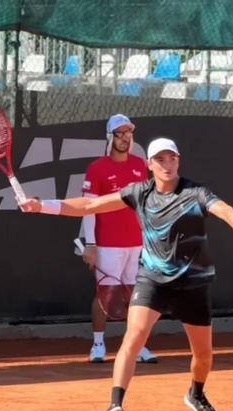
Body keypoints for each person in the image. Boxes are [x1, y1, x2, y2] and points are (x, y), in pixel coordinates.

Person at [19, 137, 233, 411]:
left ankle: (196, 394)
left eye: (171, 158)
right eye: (159, 159)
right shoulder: (139, 193)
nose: (166, 164)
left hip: (193, 284)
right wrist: (42, 205)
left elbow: (223, 208)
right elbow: (91, 204)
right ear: (149, 165)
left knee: (203, 355)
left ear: (178, 160)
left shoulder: (195, 192)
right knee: (133, 337)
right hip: (153, 280)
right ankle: (114, 407)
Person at [80, 114, 157, 364]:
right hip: (107, 244)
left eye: (128, 133)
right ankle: (98, 343)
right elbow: (88, 208)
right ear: (110, 137)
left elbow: (146, 205)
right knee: (107, 293)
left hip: (137, 244)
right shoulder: (97, 168)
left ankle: (137, 345)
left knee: (136, 295)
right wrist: (90, 244)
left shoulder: (140, 165)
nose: (125, 138)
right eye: (119, 133)